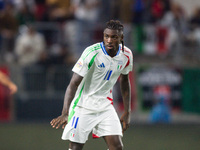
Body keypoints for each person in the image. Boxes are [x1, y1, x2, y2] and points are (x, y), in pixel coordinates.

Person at [50, 20, 133, 150]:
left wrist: (127, 111)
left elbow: (124, 81)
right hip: (83, 106)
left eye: (114, 37)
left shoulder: (126, 55)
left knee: (117, 147)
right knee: (76, 148)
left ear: (121, 38)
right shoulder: (92, 53)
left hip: (105, 107)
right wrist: (65, 112)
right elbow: (73, 84)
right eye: (106, 36)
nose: (109, 40)